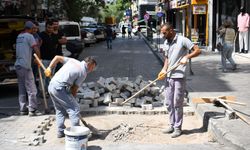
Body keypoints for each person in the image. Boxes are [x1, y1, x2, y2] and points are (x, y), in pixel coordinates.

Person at [157, 23, 201, 138]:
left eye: (164, 32)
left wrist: (186, 57)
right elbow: (167, 57)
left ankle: (177, 128)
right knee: (168, 102)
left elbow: (197, 50)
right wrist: (163, 69)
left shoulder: (183, 40)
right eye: (162, 32)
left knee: (177, 102)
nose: (163, 34)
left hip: (179, 76)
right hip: (168, 75)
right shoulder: (166, 42)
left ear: (171, 30)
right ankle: (171, 125)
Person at [44, 55, 97, 138]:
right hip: (60, 88)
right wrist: (73, 100)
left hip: (51, 86)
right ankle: (76, 134)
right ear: (89, 64)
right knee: (74, 109)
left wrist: (49, 68)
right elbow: (74, 89)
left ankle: (60, 131)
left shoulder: (73, 61)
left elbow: (57, 57)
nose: (92, 70)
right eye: (92, 67)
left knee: (60, 109)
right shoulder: (83, 72)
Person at [15, 21, 42, 116]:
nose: (35, 30)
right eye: (34, 28)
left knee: (22, 88)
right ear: (29, 28)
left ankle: (23, 109)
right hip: (26, 65)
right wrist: (38, 60)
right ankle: (33, 109)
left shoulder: (19, 36)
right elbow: (36, 49)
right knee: (32, 88)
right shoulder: (30, 36)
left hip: (18, 65)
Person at [39, 20, 58, 94]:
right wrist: (39, 58)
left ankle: (49, 91)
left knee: (50, 76)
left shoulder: (54, 35)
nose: (50, 29)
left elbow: (55, 45)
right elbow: (38, 46)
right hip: (44, 59)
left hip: (52, 59)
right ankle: (42, 92)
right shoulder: (41, 35)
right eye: (48, 27)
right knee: (43, 76)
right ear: (45, 27)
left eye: (51, 28)